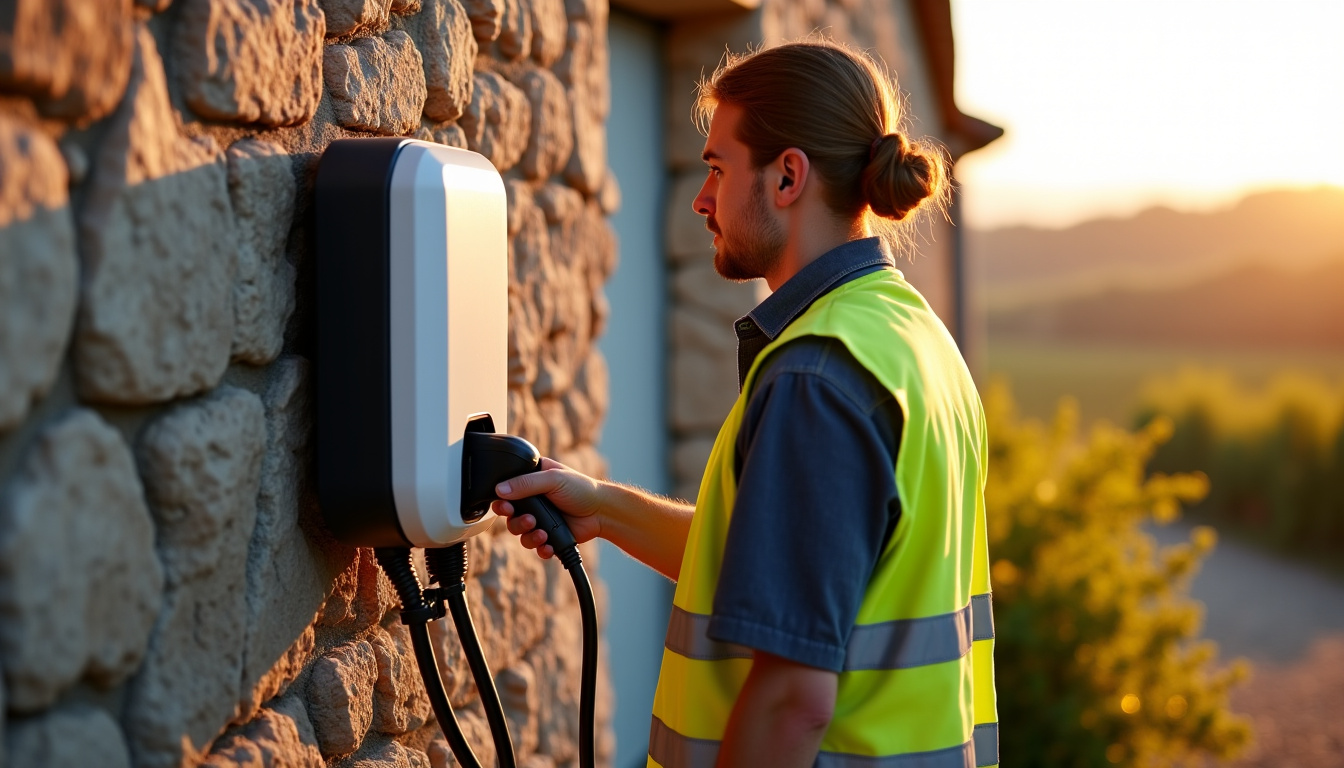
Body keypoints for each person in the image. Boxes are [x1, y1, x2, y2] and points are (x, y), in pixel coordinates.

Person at [492, 40, 998, 768]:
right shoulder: (916, 338)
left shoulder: (817, 377)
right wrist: (602, 508)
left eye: (718, 168)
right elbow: (795, 564)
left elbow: (793, 702)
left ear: (787, 175)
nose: (701, 198)